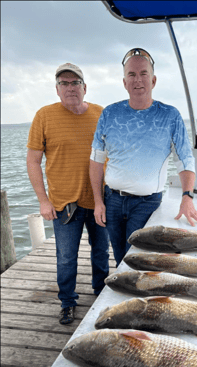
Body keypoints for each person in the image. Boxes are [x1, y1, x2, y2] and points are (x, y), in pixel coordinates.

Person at [89, 48, 197, 266]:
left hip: (146, 203)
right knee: (119, 258)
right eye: (131, 75)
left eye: (143, 74)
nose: (138, 80)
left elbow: (185, 159)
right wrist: (98, 201)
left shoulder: (170, 115)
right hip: (112, 200)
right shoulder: (109, 114)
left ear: (153, 80)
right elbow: (96, 160)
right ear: (124, 82)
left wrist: (187, 197)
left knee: (138, 259)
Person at [27, 63, 109, 325]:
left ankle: (101, 294)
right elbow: (32, 161)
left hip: (100, 200)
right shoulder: (44, 116)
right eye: (64, 83)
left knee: (101, 252)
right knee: (66, 257)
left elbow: (119, 153)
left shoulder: (101, 113)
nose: (70, 87)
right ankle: (67, 302)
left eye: (75, 83)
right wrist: (43, 200)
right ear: (57, 89)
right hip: (64, 204)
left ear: (85, 87)